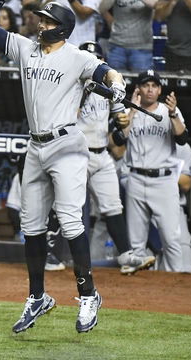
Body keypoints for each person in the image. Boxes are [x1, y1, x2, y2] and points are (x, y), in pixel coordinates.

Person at [0, 0, 128, 332]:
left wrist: (119, 91)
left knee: (69, 220)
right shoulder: (25, 48)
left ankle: (88, 295)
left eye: (47, 21)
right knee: (31, 225)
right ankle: (37, 296)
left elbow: (109, 74)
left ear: (61, 27)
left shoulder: (77, 56)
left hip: (66, 144)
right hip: (35, 147)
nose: (40, 24)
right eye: (40, 19)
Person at [76, 41, 156, 275]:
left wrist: (125, 122)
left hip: (101, 154)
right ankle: (49, 253)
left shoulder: (109, 92)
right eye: (89, 58)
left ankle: (126, 256)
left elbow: (118, 139)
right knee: (65, 205)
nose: (95, 63)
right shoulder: (71, 87)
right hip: (76, 155)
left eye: (98, 59)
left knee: (112, 206)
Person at [121, 69, 187, 272]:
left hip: (164, 180)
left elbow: (182, 138)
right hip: (136, 178)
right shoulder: (128, 112)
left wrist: (174, 114)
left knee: (171, 238)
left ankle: (178, 283)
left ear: (159, 90)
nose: (150, 89)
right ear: (138, 89)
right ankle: (137, 295)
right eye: (146, 85)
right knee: (136, 244)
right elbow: (119, 138)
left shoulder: (169, 111)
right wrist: (132, 110)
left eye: (154, 86)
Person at [98, 0, 160, 71]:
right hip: (116, 46)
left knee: (142, 85)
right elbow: (101, 9)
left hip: (142, 48)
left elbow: (155, 4)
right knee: (114, 86)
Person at [175, 142, 191, 272]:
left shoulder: (183, 147)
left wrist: (158, 172)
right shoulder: (142, 140)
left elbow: (186, 183)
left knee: (185, 255)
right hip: (146, 210)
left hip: (175, 208)